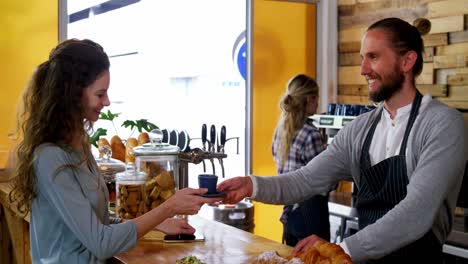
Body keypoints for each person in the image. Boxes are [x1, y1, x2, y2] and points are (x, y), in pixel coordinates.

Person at [217, 17, 465, 263]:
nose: (363, 69)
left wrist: (342, 248)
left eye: (373, 57)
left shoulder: (442, 125)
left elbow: (416, 212)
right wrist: (251, 185)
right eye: (362, 58)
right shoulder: (360, 130)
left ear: (407, 61)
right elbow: (306, 179)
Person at [8, 39, 222, 263]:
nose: (107, 101)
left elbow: (97, 219)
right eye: (100, 94)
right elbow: (101, 243)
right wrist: (169, 207)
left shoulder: (78, 144)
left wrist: (157, 223)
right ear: (72, 95)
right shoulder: (50, 157)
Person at [272, 74, 330, 246]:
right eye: (317, 98)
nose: (318, 103)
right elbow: (322, 179)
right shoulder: (311, 134)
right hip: (309, 214)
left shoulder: (280, 130)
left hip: (289, 214)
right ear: (311, 99)